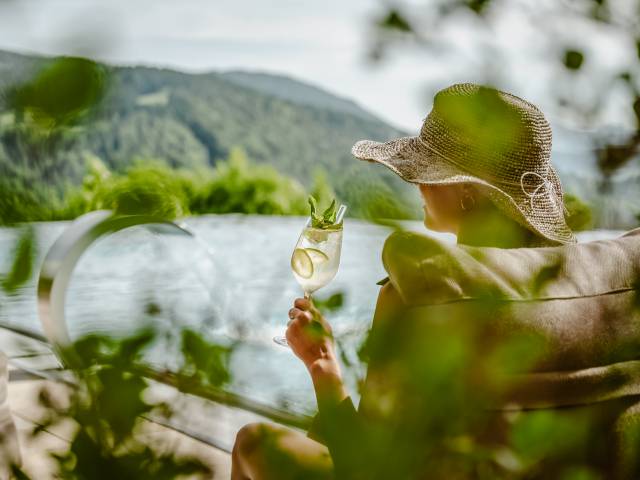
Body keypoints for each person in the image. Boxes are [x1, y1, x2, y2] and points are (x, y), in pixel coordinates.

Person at [231, 83, 577, 480]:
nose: (418, 185)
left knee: (251, 442)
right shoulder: (569, 285)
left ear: (466, 191)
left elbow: (365, 468)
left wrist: (321, 363)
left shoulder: (421, 290)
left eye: (427, 172)